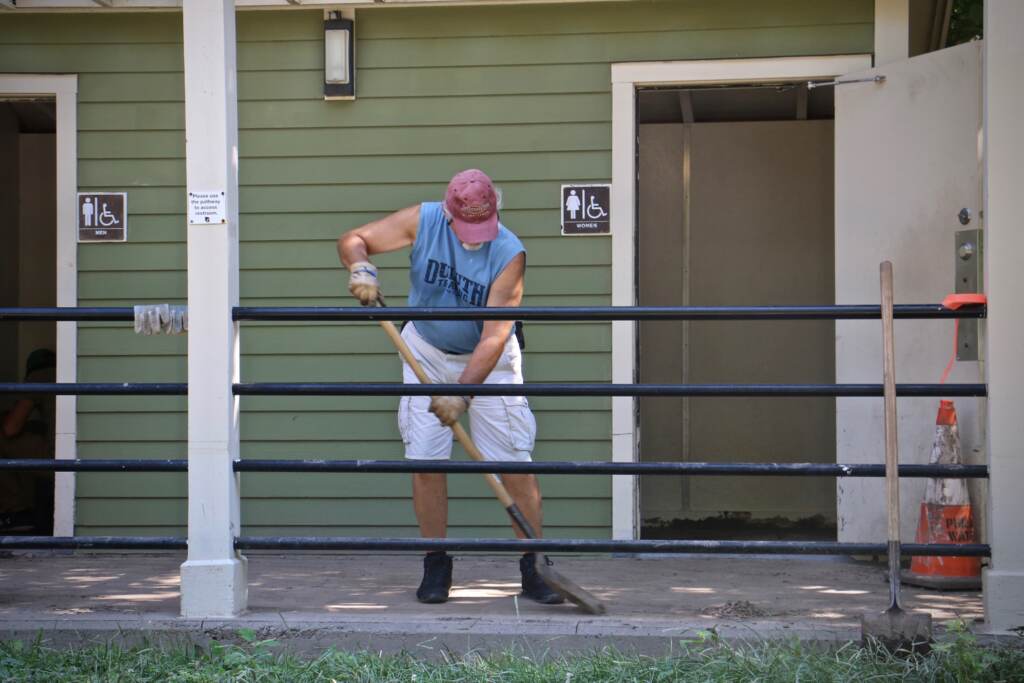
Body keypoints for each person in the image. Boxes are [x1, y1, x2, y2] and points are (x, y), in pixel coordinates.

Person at [336, 169, 563, 605]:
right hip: (425, 349)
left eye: (483, 227)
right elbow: (354, 238)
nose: (475, 238)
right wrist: (361, 266)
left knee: (515, 464)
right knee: (425, 463)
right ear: (448, 212)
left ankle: (534, 566)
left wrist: (462, 392)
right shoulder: (424, 220)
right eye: (466, 228)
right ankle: (436, 562)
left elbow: (496, 335)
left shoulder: (510, 252)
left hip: (489, 362)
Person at [0, 349, 56, 533]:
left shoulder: (39, 377)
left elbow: (10, 428)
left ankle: (17, 512)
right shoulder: (61, 374)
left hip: (56, 457)